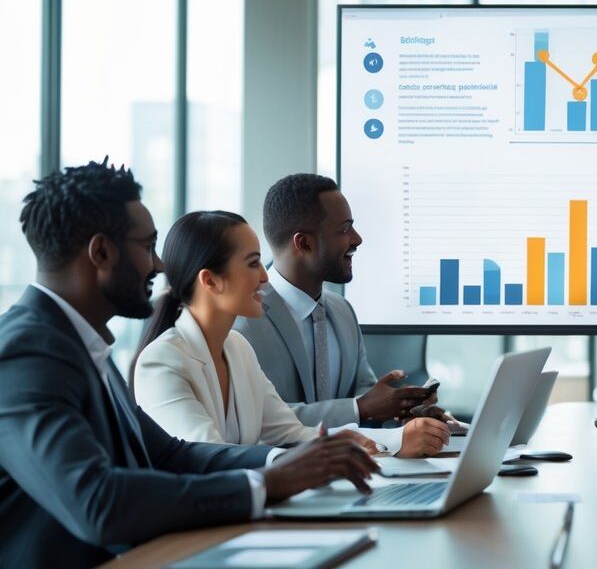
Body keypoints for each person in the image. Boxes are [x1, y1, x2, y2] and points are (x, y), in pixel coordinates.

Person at [0, 161, 377, 568]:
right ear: (102, 252)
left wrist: (284, 463)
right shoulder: (26, 353)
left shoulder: (81, 344)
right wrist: (264, 484)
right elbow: (98, 502)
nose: (159, 265)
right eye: (147, 247)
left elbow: (172, 455)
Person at [132, 210, 450, 458]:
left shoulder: (237, 348)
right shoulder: (162, 362)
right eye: (253, 264)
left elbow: (294, 433)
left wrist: (393, 442)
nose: (265, 275)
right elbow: (212, 458)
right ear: (211, 281)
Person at [235, 174, 436, 428]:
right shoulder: (243, 320)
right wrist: (359, 408)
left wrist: (403, 407)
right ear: (304, 243)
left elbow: (365, 396)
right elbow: (259, 419)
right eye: (344, 229)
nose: (357, 239)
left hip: (359, 465)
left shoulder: (343, 311)